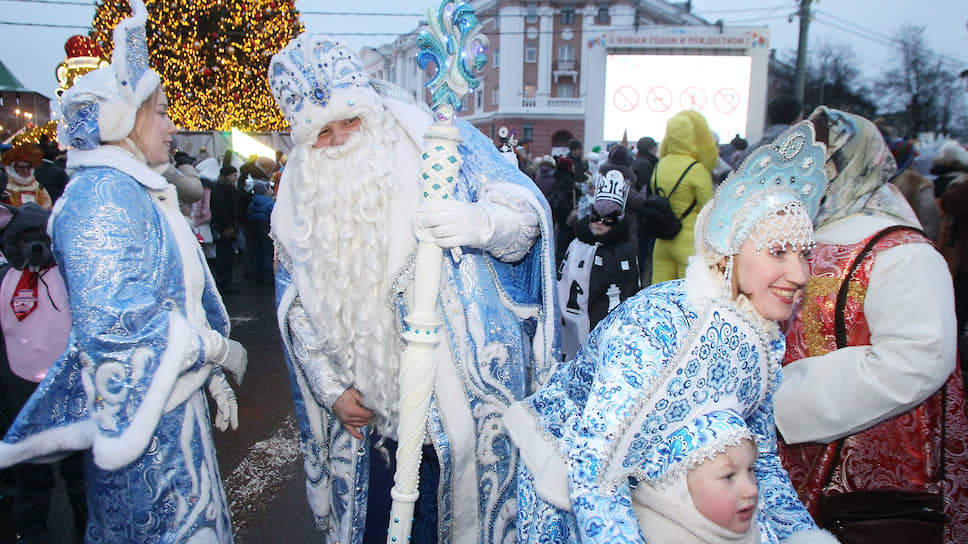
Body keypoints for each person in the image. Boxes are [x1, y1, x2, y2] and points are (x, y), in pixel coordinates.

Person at [267, 34, 557, 544]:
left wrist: (480, 222)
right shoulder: (298, 196)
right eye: (323, 134)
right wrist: (331, 389)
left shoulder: (442, 143)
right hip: (372, 425)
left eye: (349, 123)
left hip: (462, 407)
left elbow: (525, 222)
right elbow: (296, 310)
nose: (338, 142)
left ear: (370, 114)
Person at [505, 121, 836, 544]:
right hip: (576, 491)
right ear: (730, 250)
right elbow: (594, 470)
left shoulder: (763, 338)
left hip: (676, 493)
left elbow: (764, 460)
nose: (800, 274)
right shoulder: (661, 329)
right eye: (777, 251)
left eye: (805, 254)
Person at [0, 2, 247, 541]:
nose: (172, 123)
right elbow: (118, 330)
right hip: (145, 445)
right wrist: (213, 349)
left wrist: (206, 376)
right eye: (159, 111)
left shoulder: (135, 189)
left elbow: (174, 296)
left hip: (170, 422)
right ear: (124, 121)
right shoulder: (100, 198)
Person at [776, 108, 968, 543]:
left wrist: (783, 399)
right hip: (789, 451)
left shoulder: (902, 252)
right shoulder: (802, 234)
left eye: (816, 162)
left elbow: (915, 359)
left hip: (864, 464)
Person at [0, 203, 86, 543]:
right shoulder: (4, 279)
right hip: (20, 391)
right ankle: (32, 532)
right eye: (24, 239)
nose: (34, 247)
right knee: (31, 475)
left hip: (70, 389)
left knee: (79, 473)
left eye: (41, 238)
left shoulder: (70, 276)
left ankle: (88, 529)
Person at [633, 410, 760, 544]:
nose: (752, 490)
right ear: (678, 490)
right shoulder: (655, 537)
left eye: (750, 469)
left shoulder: (760, 529)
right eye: (728, 476)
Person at [558, 169, 641, 360]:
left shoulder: (623, 254)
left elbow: (625, 297)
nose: (600, 223)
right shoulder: (577, 244)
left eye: (608, 218)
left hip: (602, 335)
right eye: (596, 216)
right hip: (569, 331)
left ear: (618, 219)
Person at [650, 110, 717, 284]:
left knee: (658, 294)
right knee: (687, 297)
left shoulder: (660, 165)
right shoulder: (697, 169)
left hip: (662, 239)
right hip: (689, 241)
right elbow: (708, 209)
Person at [209, 165, 241, 294]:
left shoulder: (221, 186)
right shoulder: (222, 188)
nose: (236, 177)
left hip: (225, 225)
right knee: (224, 254)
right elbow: (222, 208)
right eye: (234, 175)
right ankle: (224, 282)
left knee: (226, 253)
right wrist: (228, 226)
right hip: (224, 227)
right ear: (228, 175)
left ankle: (226, 280)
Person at [245, 179, 274, 284]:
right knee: (267, 253)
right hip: (266, 228)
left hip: (254, 229)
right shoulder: (269, 203)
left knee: (257, 252)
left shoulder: (252, 202)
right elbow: (273, 216)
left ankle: (257, 276)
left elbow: (248, 216)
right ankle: (268, 278)